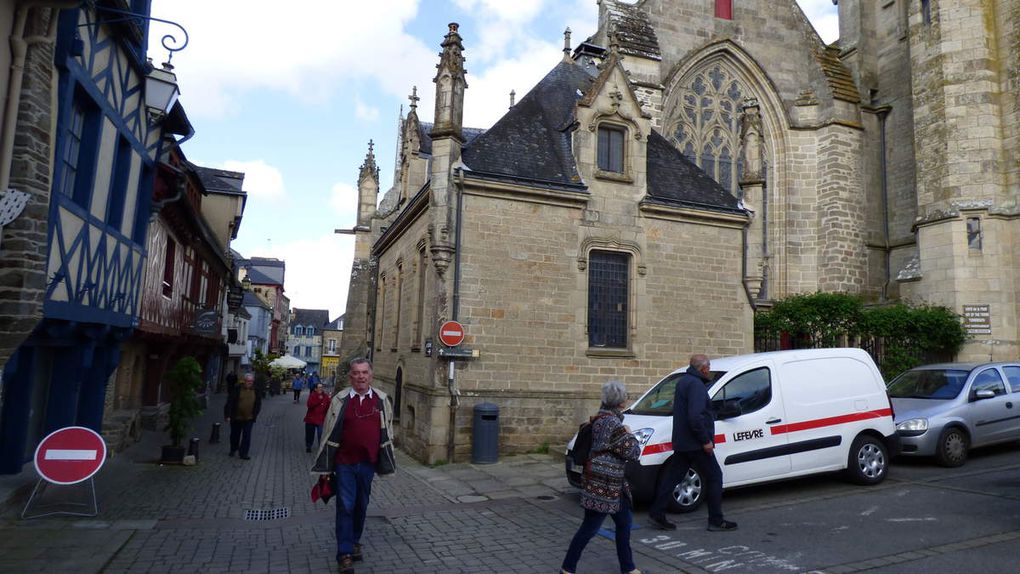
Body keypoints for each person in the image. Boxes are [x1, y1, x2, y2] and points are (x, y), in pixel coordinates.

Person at [311, 358, 395, 574]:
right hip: (344, 463)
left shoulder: (381, 400)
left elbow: (388, 430)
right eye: (356, 373)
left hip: (368, 464)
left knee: (361, 505)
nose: (360, 376)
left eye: (364, 372)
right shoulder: (340, 400)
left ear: (371, 375)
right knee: (346, 506)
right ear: (350, 377)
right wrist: (326, 465)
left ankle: (355, 541)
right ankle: (345, 553)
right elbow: (328, 431)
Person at [649, 354, 737, 532]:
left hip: (682, 442)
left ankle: (657, 511)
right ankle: (715, 520)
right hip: (696, 443)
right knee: (714, 477)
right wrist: (705, 440)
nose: (709, 369)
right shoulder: (696, 385)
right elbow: (695, 416)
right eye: (708, 366)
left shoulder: (684, 381)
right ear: (703, 368)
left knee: (673, 477)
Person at [561, 381, 641, 574]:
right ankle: (567, 568)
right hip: (606, 485)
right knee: (589, 528)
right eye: (626, 396)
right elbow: (633, 452)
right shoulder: (614, 424)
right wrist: (630, 434)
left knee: (624, 523)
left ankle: (628, 568)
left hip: (606, 483)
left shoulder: (598, 418)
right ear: (621, 402)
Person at [225, 372, 262, 460]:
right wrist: (228, 415)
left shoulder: (256, 390)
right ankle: (233, 449)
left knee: (247, 436)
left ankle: (244, 453)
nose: (250, 383)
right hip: (236, 417)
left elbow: (258, 403)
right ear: (244, 381)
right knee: (235, 435)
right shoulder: (237, 389)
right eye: (248, 381)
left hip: (249, 418)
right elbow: (230, 402)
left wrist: (255, 414)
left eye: (251, 381)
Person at [304, 382, 330, 453]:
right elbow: (309, 405)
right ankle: (308, 446)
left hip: (321, 418)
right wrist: (319, 399)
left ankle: (321, 447)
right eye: (319, 387)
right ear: (315, 389)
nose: (321, 389)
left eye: (321, 387)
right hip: (311, 418)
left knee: (321, 433)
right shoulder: (312, 395)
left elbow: (329, 405)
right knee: (309, 434)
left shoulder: (325, 396)